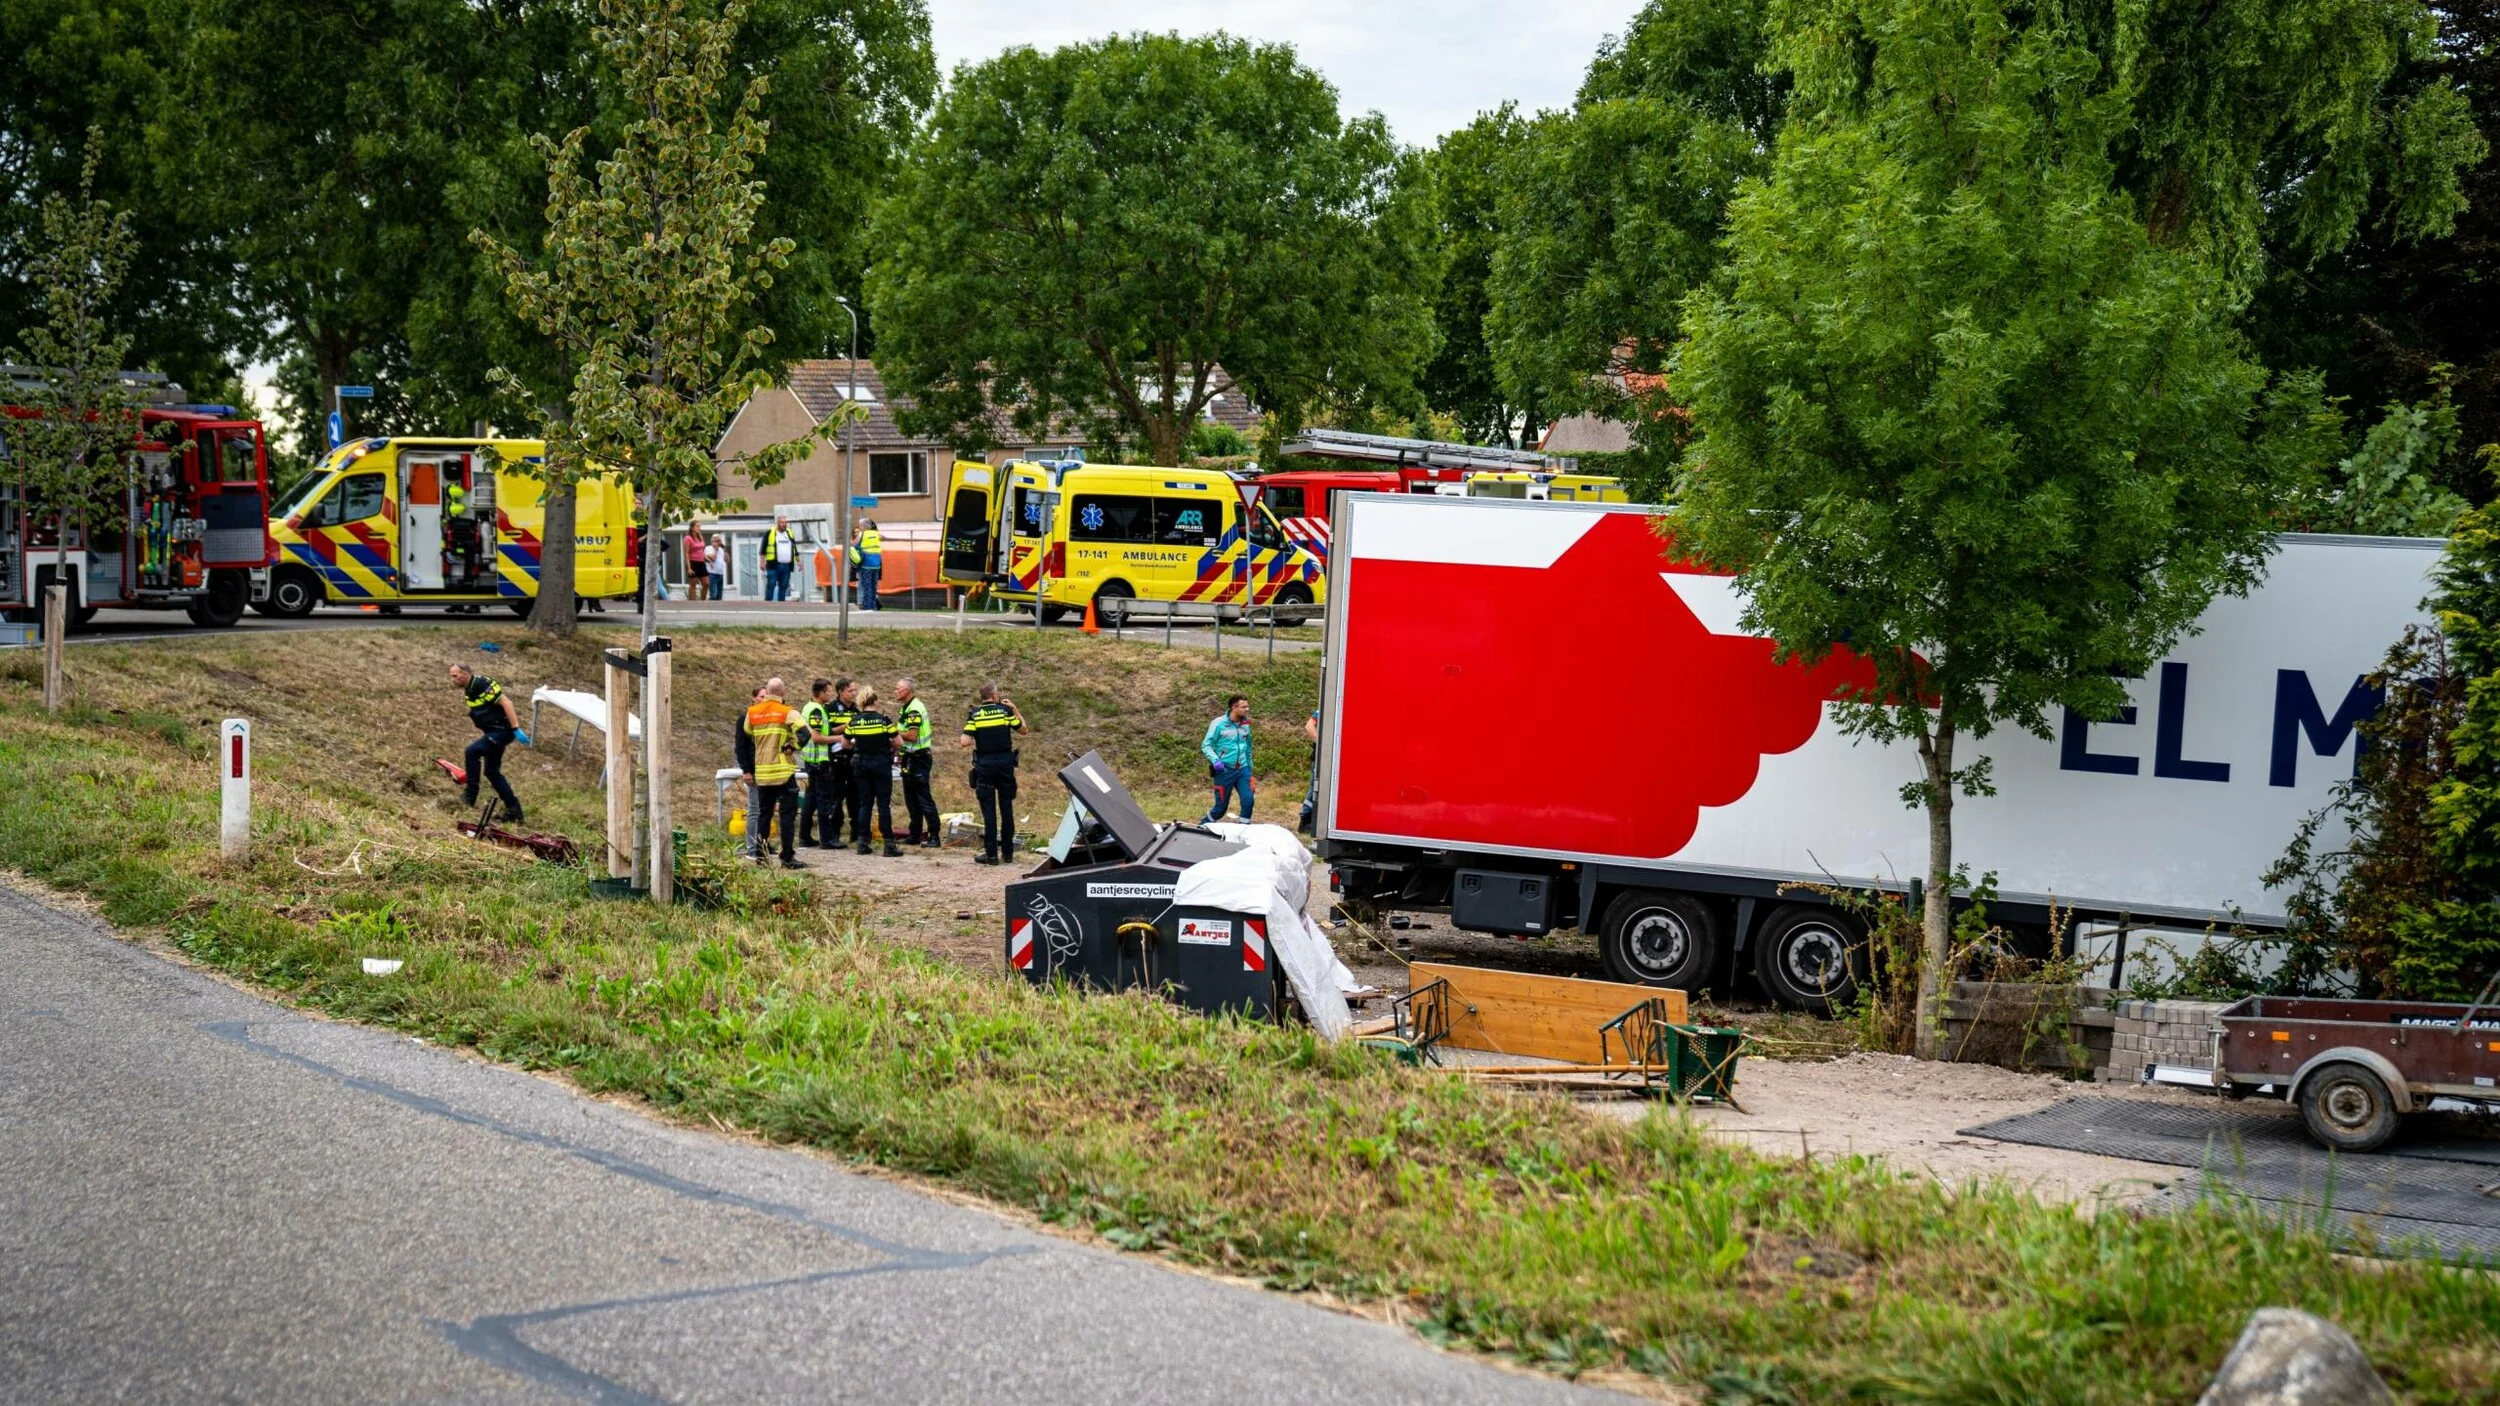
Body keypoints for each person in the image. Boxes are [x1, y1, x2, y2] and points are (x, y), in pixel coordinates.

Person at [735, 677, 810, 869]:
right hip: (783, 771)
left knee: (763, 815)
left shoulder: (752, 713)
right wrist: (790, 747)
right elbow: (805, 733)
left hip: (763, 772)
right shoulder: (788, 712)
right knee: (787, 815)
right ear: (782, 693)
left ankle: (760, 855)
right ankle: (787, 856)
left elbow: (749, 733)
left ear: (767, 692)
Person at [959, 683, 1027, 865]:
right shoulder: (1005, 712)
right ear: (995, 695)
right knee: (1007, 809)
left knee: (989, 812)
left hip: (985, 766)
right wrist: (1015, 710)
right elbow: (1023, 730)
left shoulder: (975, 715)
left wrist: (975, 733)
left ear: (982, 697)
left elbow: (964, 742)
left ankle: (991, 855)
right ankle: (1008, 853)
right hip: (1005, 765)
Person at [449, 662, 525, 822]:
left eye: (455, 676)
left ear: (466, 673)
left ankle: (470, 796)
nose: (453, 680)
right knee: (491, 772)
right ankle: (514, 811)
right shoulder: (469, 690)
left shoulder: (483, 684)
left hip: (502, 732)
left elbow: (506, 703)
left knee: (472, 751)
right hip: (492, 732)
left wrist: (516, 728)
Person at [845, 685, 904, 856]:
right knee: (883, 804)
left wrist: (858, 743)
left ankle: (862, 842)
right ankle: (888, 844)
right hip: (880, 763)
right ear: (875, 701)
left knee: (865, 803)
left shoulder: (854, 721)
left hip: (861, 764)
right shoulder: (884, 720)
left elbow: (845, 743)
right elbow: (898, 742)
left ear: (861, 702)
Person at [797, 677, 844, 850]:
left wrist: (844, 727)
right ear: (821, 693)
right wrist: (838, 738)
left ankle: (805, 836)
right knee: (824, 800)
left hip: (812, 761)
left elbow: (826, 730)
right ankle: (827, 839)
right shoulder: (816, 710)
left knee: (811, 800)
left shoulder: (811, 707)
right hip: (819, 761)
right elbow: (817, 737)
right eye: (829, 691)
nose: (831, 694)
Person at [895, 676, 939, 846]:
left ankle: (934, 836)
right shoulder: (906, 708)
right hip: (909, 757)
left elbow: (912, 736)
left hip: (919, 757)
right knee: (911, 799)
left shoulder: (914, 709)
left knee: (923, 797)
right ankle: (914, 834)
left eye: (898, 688)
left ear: (907, 691)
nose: (895, 691)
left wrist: (892, 732)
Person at [1201, 694, 1255, 823]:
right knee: (1220, 809)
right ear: (1233, 707)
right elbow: (1206, 745)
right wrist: (1215, 760)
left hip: (1243, 769)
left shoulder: (1245, 724)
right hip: (1224, 770)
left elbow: (1248, 747)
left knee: (1248, 801)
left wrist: (1250, 769)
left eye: (1247, 706)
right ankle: (1202, 827)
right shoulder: (1218, 723)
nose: (1247, 709)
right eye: (1243, 707)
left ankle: (1243, 829)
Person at [1298, 707, 1320, 835]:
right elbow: (1309, 726)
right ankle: (1305, 821)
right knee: (1315, 787)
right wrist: (1322, 743)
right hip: (1322, 755)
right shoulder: (1325, 707)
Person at [765, 515, 797, 602]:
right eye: (782, 522)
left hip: (786, 565)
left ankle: (781, 604)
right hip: (773, 565)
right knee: (771, 584)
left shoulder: (789, 533)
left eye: (785, 522)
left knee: (784, 585)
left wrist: (798, 561)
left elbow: (794, 547)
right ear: (778, 523)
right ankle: (767, 603)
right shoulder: (771, 532)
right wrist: (762, 561)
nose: (784, 524)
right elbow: (763, 548)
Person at [855, 518, 884, 611]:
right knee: (874, 586)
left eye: (860, 526)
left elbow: (854, 544)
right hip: (876, 564)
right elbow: (883, 538)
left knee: (866, 586)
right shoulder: (876, 534)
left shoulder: (861, 534)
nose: (859, 527)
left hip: (866, 564)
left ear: (863, 526)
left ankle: (868, 606)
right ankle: (874, 606)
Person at [706, 529, 728, 600]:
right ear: (712, 541)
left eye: (719, 541)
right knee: (713, 595)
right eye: (716, 541)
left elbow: (727, 560)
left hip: (720, 574)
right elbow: (712, 558)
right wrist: (716, 549)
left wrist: (725, 550)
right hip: (712, 574)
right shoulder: (708, 548)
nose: (718, 542)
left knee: (719, 596)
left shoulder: (721, 550)